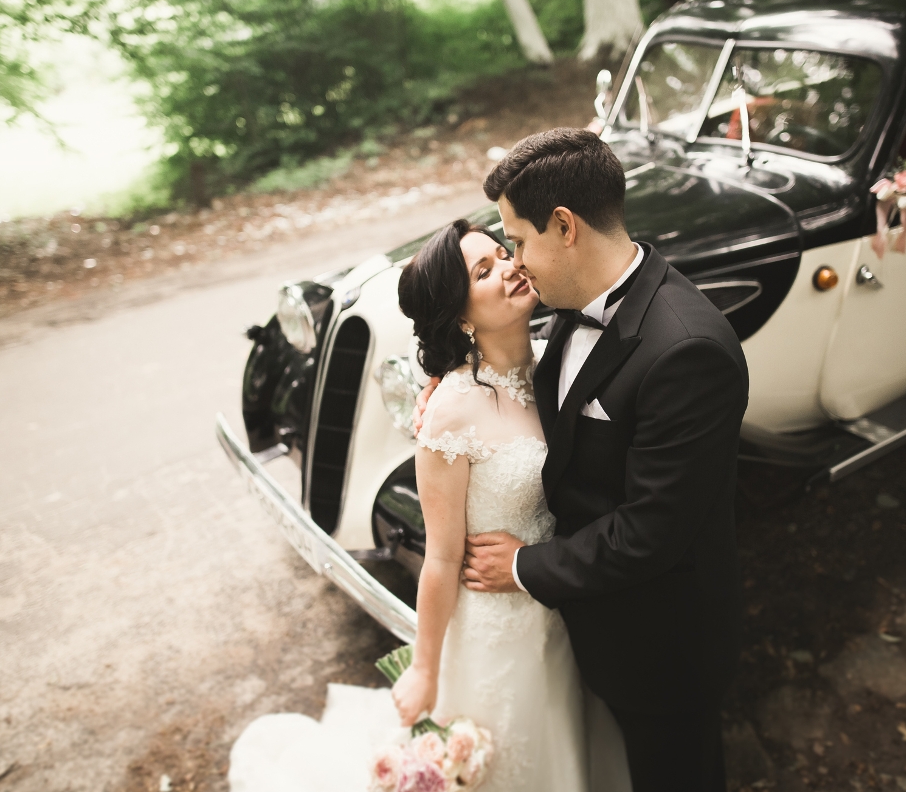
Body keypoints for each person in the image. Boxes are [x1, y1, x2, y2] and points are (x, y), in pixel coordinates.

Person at [227, 218, 630, 792]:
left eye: (503, 252)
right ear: (462, 316)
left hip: (562, 604)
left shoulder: (559, 359)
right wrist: (424, 668)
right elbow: (440, 560)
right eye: (483, 271)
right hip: (497, 625)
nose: (511, 267)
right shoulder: (450, 411)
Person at [454, 127, 749, 792]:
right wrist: (449, 402)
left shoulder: (685, 350)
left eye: (519, 240)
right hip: (582, 634)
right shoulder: (570, 299)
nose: (515, 261)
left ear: (565, 227)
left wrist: (525, 564)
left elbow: (652, 532)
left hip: (660, 650)